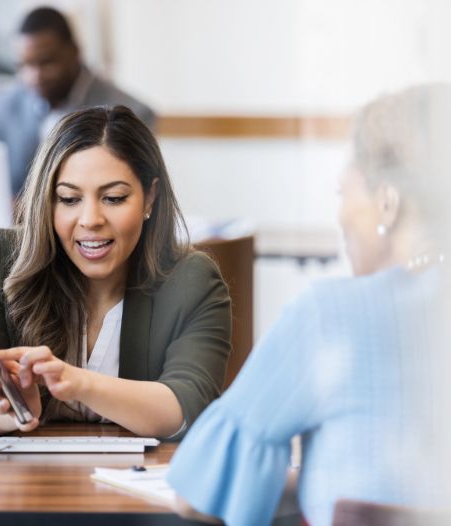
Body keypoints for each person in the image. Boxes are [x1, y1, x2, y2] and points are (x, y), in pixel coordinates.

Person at [167, 84, 451, 525]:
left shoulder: (332, 315)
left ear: (388, 202)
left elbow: (200, 496)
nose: (340, 215)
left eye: (344, 192)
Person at [0, 105, 231, 438]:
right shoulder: (4, 258)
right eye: (69, 199)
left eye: (113, 198)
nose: (90, 220)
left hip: (140, 482)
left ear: (149, 198)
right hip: (30, 483)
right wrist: (11, 410)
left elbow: (184, 406)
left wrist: (79, 382)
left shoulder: (191, 280)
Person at [0, 6, 156, 196]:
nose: (34, 76)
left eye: (46, 63)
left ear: (75, 52)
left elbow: (130, 194)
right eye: (24, 65)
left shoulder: (131, 112)